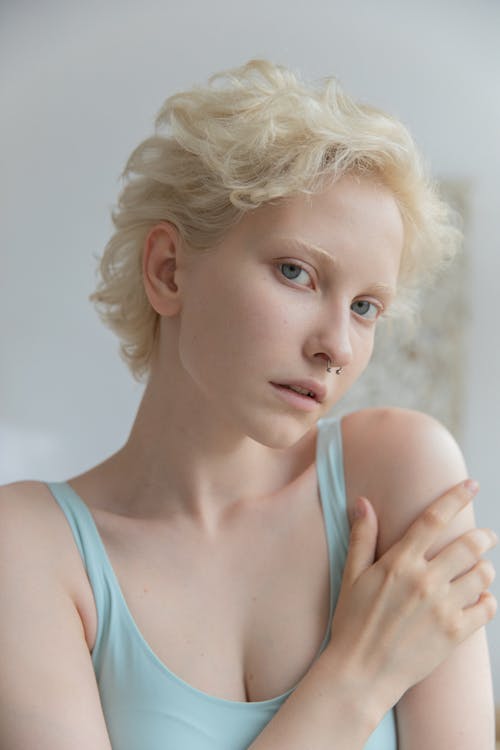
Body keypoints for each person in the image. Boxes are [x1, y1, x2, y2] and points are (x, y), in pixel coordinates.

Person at [0, 59, 497, 750]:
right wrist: (356, 679)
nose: (336, 346)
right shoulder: (27, 548)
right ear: (168, 270)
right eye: (297, 272)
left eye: (365, 307)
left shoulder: (398, 476)